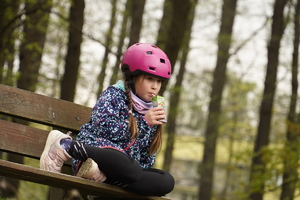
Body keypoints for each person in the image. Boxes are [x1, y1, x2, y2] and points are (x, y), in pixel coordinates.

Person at [40, 43, 174, 197]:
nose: (155, 87)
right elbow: (104, 129)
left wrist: (149, 128)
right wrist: (143, 122)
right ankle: (66, 146)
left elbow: (146, 161)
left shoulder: (153, 111)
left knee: (166, 181)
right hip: (95, 155)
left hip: (124, 171)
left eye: (159, 81)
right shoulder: (114, 95)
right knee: (129, 167)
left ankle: (104, 178)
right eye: (150, 79)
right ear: (132, 76)